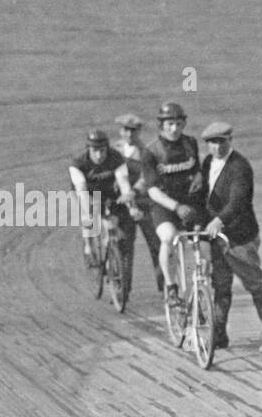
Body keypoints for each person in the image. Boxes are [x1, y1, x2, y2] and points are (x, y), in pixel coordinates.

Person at [199, 122, 262, 354]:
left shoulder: (239, 166)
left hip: (240, 237)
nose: (217, 147)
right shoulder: (207, 163)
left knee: (254, 285)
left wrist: (218, 221)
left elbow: (237, 200)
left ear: (230, 140)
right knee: (220, 285)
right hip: (216, 238)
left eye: (222, 141)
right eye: (213, 142)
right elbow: (203, 195)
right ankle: (220, 333)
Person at [141, 101, 205, 309]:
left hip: (188, 201)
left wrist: (198, 178)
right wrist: (176, 207)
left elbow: (196, 168)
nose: (174, 128)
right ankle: (170, 287)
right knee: (168, 236)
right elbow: (152, 190)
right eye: (169, 124)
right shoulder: (151, 151)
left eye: (178, 124)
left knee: (198, 247)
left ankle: (198, 292)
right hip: (164, 205)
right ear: (161, 125)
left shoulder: (190, 144)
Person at [69, 128, 134, 279]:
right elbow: (81, 191)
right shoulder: (79, 163)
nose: (99, 155)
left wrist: (130, 205)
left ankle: (110, 249)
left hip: (108, 192)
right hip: (86, 192)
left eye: (102, 151)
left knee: (111, 224)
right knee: (89, 217)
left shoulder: (116, 158)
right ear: (88, 149)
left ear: (108, 148)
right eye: (95, 151)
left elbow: (124, 184)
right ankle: (88, 247)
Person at [112, 113, 163, 296]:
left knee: (155, 244)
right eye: (125, 129)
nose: (129, 134)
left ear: (139, 131)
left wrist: (134, 192)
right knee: (124, 245)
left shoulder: (146, 152)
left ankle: (164, 287)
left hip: (144, 203)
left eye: (133, 130)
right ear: (120, 131)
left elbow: (146, 177)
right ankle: (123, 289)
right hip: (123, 206)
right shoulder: (114, 150)